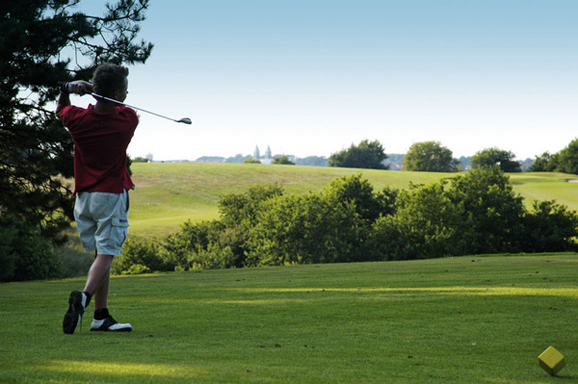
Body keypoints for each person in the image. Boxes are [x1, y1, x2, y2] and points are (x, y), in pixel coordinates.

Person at [57, 63, 138, 334]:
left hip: (84, 198)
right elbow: (125, 109)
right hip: (111, 196)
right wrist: (99, 92)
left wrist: (69, 89)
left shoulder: (77, 120)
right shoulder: (126, 120)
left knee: (100, 254)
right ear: (116, 93)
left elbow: (61, 110)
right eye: (124, 90)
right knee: (107, 253)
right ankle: (84, 297)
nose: (127, 94)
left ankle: (100, 317)